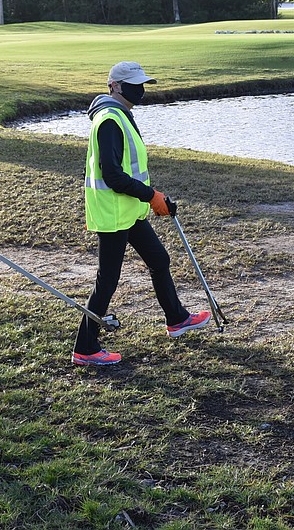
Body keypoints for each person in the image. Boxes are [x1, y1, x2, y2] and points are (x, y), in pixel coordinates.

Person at [74, 61, 211, 366]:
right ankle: (85, 347)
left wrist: (151, 199)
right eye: (134, 84)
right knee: (107, 280)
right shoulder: (109, 120)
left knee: (159, 259)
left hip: (129, 211)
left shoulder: (121, 115)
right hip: (113, 214)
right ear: (114, 87)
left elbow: (128, 169)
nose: (141, 89)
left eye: (142, 83)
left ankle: (177, 319)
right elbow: (112, 175)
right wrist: (152, 196)